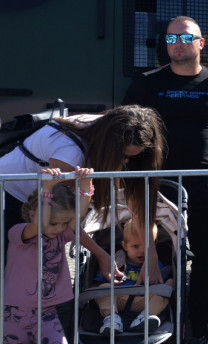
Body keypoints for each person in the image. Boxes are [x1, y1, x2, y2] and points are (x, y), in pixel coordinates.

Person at [123, 15, 208, 344]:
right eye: (171, 38)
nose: (177, 43)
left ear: (200, 43)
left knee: (207, 258)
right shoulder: (145, 84)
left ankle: (198, 331)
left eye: (186, 37)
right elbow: (128, 135)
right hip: (159, 185)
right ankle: (154, 328)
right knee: (158, 254)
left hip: (206, 185)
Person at [0, 104, 164, 279]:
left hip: (37, 201)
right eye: (123, 155)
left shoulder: (108, 127)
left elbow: (136, 202)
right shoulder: (70, 154)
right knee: (12, 269)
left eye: (133, 157)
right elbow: (67, 220)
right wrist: (101, 255)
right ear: (108, 146)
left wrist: (151, 255)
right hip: (9, 195)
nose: (126, 161)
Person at [2, 168, 91, 344]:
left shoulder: (61, 233)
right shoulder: (19, 234)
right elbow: (42, 222)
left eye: (63, 223)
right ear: (33, 214)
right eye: (54, 222)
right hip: (13, 317)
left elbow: (78, 217)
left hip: (45, 313)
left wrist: (86, 185)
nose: (59, 228)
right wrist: (48, 188)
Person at [94, 219, 169, 335]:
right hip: (117, 299)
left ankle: (146, 316)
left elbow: (161, 284)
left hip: (144, 300)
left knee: (169, 285)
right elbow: (98, 283)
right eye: (135, 246)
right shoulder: (115, 263)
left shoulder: (155, 265)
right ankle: (112, 318)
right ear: (124, 246)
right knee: (102, 288)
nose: (142, 251)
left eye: (147, 246)